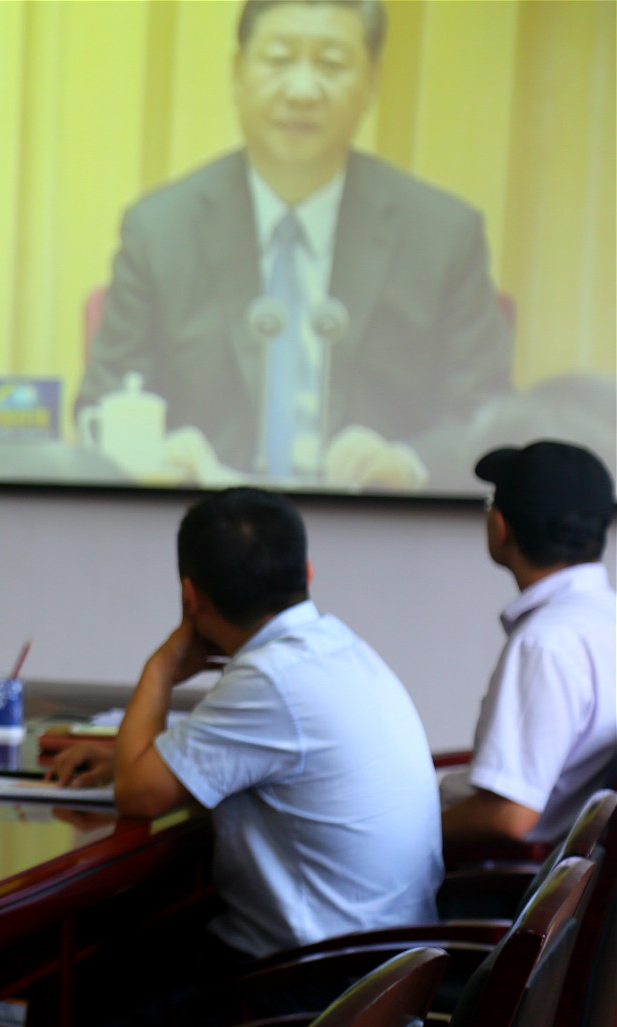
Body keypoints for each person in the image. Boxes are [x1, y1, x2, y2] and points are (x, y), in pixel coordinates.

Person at [74, 0, 513, 491]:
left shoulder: (442, 235)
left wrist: (406, 463)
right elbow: (103, 403)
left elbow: (488, 417)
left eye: (331, 64)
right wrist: (159, 454)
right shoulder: (159, 231)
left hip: (376, 519)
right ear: (238, 73)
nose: (302, 91)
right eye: (279, 59)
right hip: (205, 519)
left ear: (371, 83)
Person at [48, 488, 442, 965]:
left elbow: (137, 795)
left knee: (103, 974)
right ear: (308, 573)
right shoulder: (337, 647)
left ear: (191, 597)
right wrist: (125, 758)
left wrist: (162, 666)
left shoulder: (270, 679)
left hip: (318, 981)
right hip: (395, 970)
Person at [441, 441, 617, 844]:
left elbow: (509, 816)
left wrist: (406, 833)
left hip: (504, 871)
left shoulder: (545, 643)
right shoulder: (607, 618)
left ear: (499, 527)